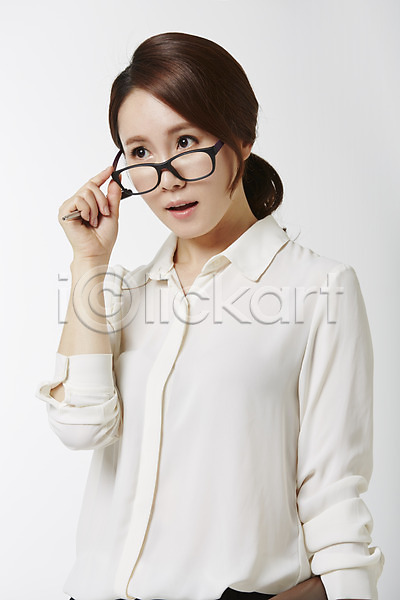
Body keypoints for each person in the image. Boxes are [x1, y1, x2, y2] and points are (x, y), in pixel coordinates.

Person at [36, 32, 384, 600]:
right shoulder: (118, 294)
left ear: (241, 138)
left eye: (186, 141)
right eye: (141, 153)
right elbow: (81, 427)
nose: (168, 176)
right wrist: (89, 263)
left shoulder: (319, 289)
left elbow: (334, 491)